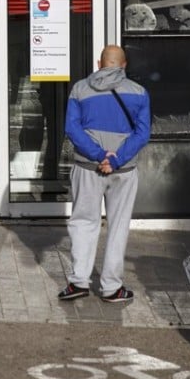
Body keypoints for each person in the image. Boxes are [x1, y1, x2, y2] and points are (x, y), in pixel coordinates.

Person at [58, 44, 150, 303]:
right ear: (124, 65)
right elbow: (142, 134)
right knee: (118, 226)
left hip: (88, 166)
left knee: (84, 222)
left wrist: (100, 156)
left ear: (99, 64)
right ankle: (111, 287)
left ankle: (78, 282)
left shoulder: (79, 89)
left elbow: (72, 130)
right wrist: (116, 158)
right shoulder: (140, 92)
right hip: (124, 169)